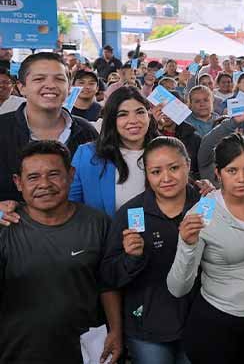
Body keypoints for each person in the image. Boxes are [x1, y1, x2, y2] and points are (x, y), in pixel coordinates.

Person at [0, 141, 122, 363]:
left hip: (86, 349)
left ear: (71, 174)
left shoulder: (97, 223)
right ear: (18, 183)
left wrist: (115, 330)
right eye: (33, 177)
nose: (44, 184)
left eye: (54, 174)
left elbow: (108, 283)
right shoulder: (5, 224)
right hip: (17, 350)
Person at [167, 133, 244, 364]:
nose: (242, 179)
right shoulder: (203, 211)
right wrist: (187, 244)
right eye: (232, 171)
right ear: (218, 173)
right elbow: (178, 287)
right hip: (218, 323)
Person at [101, 137, 201, 364]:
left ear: (187, 164)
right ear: (146, 174)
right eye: (156, 172)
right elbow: (108, 277)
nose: (166, 178)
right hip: (147, 327)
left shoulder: (207, 204)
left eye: (174, 168)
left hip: (200, 322)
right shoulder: (132, 213)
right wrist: (131, 258)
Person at [0, 52, 98, 201]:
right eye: (39, 79)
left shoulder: (86, 132)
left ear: (69, 87)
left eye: (59, 79)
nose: (51, 85)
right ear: (21, 87)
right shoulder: (3, 129)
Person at [70, 86, 159, 216]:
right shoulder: (87, 155)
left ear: (149, 116)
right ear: (111, 120)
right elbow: (71, 207)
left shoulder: (165, 151)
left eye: (140, 112)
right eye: (122, 114)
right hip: (105, 235)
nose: (133, 121)